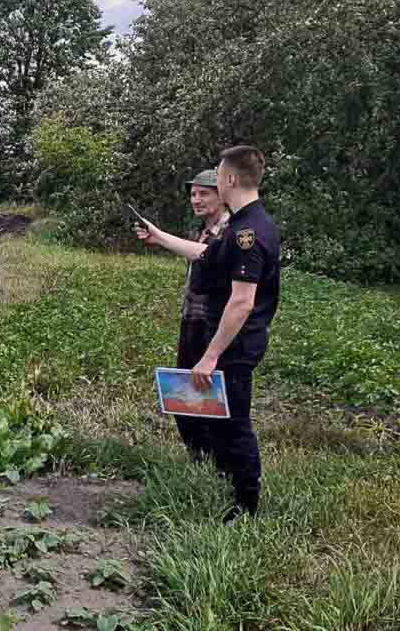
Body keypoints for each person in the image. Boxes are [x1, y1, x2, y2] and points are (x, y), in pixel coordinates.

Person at [135, 146, 281, 521]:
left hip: (237, 342)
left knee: (235, 424)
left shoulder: (248, 231)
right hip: (232, 339)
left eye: (217, 175)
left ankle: (246, 507)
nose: (212, 181)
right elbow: (205, 254)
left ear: (230, 179)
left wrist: (210, 355)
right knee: (220, 419)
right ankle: (227, 482)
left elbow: (242, 303)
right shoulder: (246, 224)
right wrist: (159, 237)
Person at [172, 169, 231, 464]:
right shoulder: (203, 230)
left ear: (222, 195)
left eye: (203, 193)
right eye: (193, 194)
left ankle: (217, 458)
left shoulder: (229, 231)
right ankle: (198, 453)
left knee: (208, 391)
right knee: (184, 387)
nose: (196, 200)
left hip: (213, 323)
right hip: (191, 319)